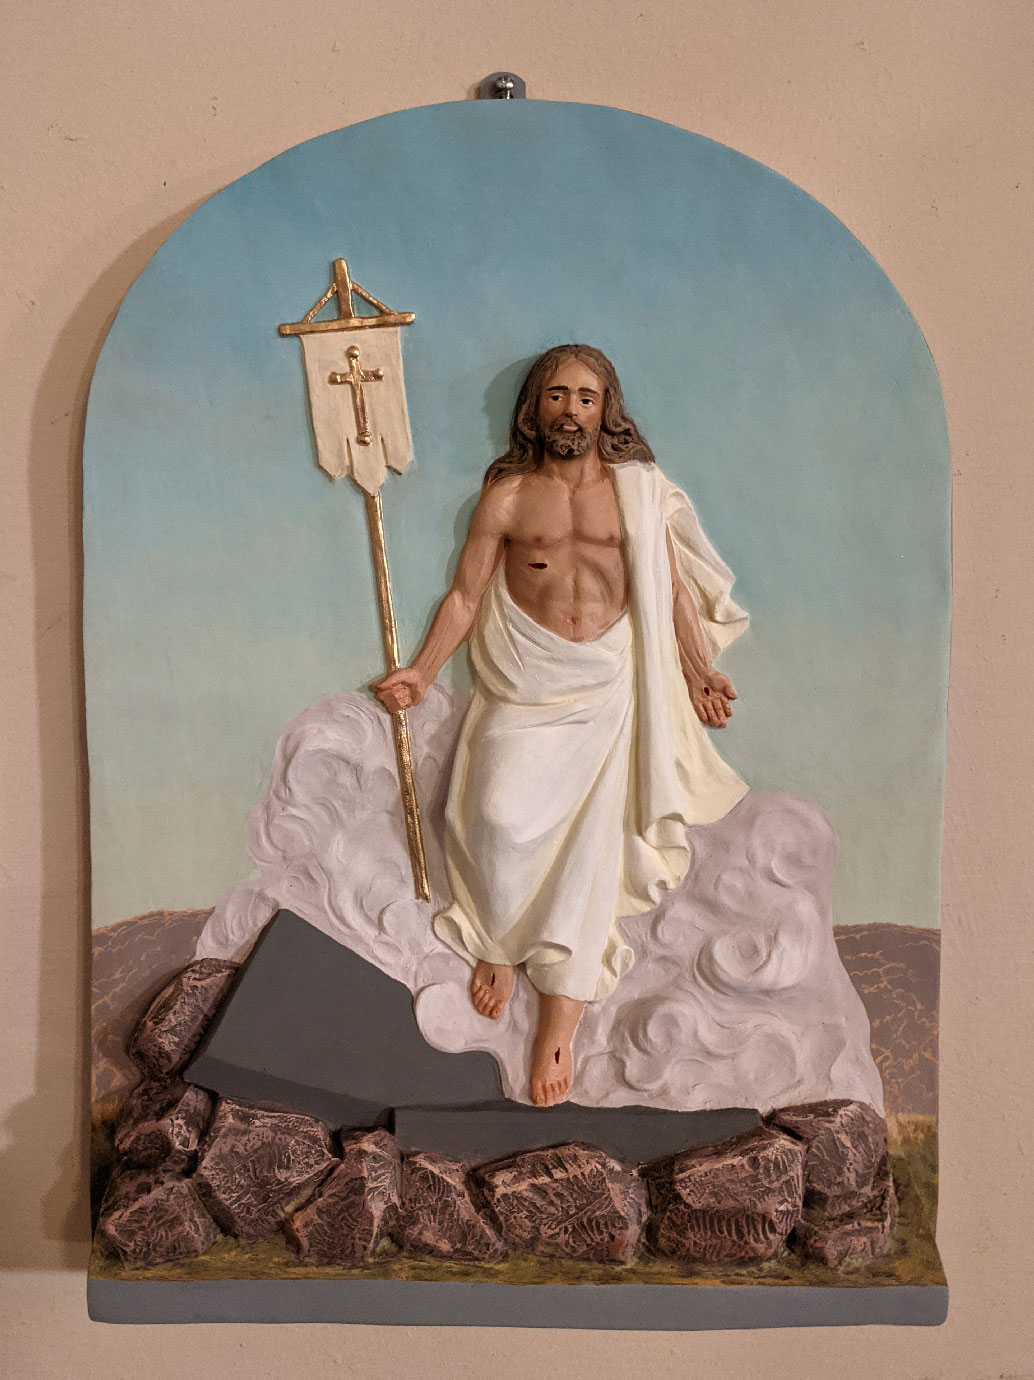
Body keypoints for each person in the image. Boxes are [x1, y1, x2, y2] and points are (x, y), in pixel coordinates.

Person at [373, 345, 749, 1106]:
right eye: (556, 396)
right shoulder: (509, 497)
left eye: (585, 397)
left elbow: (669, 592)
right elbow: (465, 597)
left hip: (607, 685)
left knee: (589, 860)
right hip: (527, 681)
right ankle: (498, 937)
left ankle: (556, 1027)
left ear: (606, 410)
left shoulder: (638, 493)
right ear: (534, 409)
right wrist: (422, 671)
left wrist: (698, 670)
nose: (570, 410)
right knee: (495, 817)